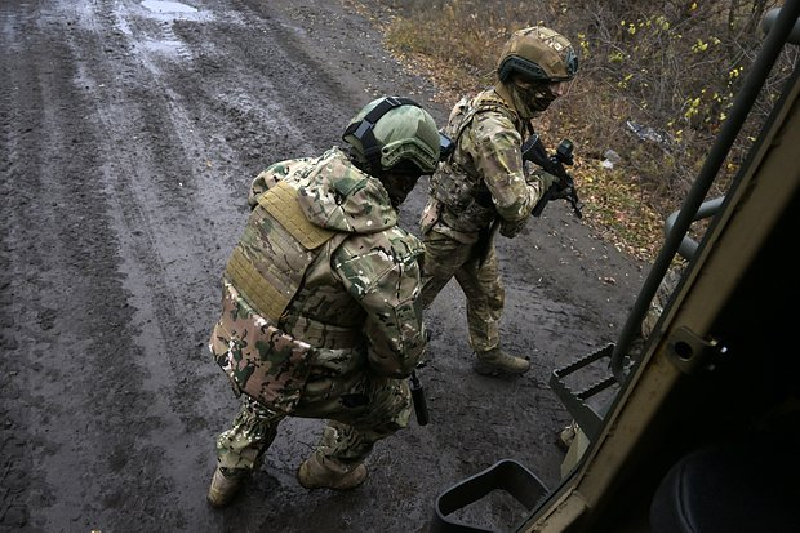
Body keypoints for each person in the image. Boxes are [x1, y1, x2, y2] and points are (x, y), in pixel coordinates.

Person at [205, 96, 441, 508]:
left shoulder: (285, 175)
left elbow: (259, 205)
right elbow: (398, 358)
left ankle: (231, 465)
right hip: (303, 370)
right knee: (394, 404)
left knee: (280, 350)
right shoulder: (385, 251)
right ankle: (328, 470)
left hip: (241, 341)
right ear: (403, 176)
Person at [418, 26, 579, 377]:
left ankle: (488, 354)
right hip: (448, 235)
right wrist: (543, 181)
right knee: (408, 303)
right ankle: (381, 360)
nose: (557, 94)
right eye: (552, 85)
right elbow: (514, 208)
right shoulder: (497, 130)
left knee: (489, 296)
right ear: (525, 79)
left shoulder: (496, 106)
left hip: (474, 231)